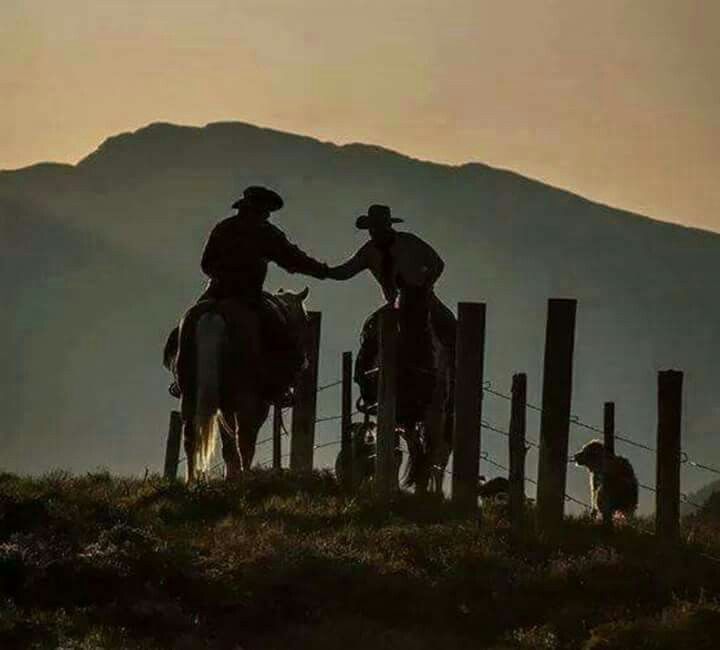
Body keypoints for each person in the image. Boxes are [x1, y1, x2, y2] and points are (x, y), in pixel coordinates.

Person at [167, 186, 329, 399]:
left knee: (178, 335)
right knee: (287, 340)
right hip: (249, 296)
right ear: (263, 212)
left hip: (215, 291)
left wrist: (223, 274)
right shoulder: (267, 233)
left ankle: (182, 379)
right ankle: (281, 388)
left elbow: (206, 263)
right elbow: (293, 259)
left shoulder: (223, 227)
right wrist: (324, 271)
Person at [325, 204, 456, 356]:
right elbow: (345, 271)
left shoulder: (409, 242)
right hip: (393, 305)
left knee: (450, 329)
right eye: (372, 228)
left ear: (387, 226)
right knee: (369, 338)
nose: (373, 232)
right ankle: (364, 373)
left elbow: (437, 264)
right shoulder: (369, 251)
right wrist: (323, 270)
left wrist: (425, 286)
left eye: (377, 227)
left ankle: (456, 369)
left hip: (424, 299)